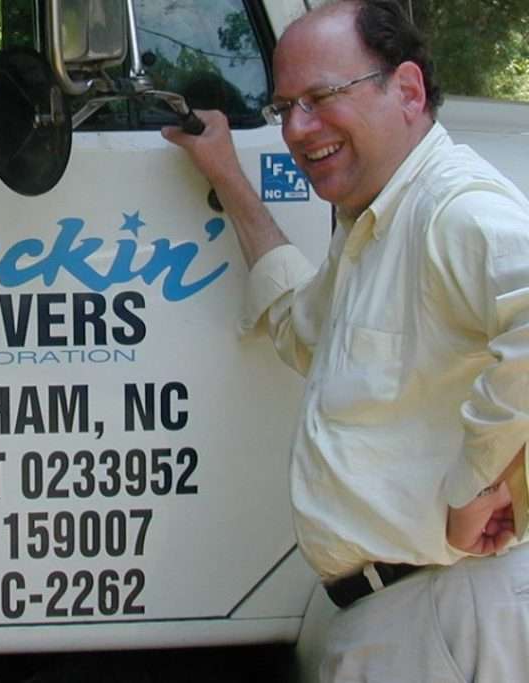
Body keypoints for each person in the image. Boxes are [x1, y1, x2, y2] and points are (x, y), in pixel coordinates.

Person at [163, 1, 529, 681]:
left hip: (444, 618)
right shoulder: (376, 225)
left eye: (322, 97)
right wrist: (227, 176)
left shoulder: (452, 208)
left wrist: (476, 481)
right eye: (285, 108)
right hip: (392, 617)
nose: (298, 130)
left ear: (409, 91)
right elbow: (304, 331)